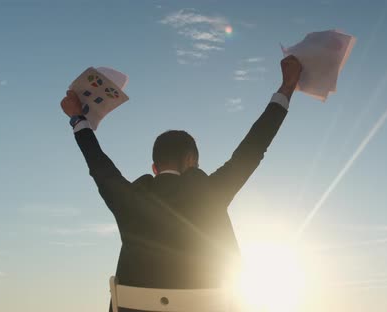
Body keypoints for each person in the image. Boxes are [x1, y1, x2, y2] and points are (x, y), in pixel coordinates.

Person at [60, 55, 302, 311]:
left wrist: (78, 118)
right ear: (190, 161)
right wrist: (286, 89)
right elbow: (252, 149)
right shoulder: (210, 192)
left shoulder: (128, 198)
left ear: (154, 169)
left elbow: (98, 164)